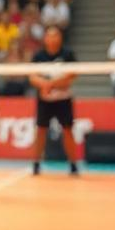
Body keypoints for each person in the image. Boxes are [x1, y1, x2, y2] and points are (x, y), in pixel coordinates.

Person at [29, 26, 79, 176]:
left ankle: (73, 164)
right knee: (40, 130)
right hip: (44, 100)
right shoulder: (38, 56)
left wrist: (50, 84)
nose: (52, 38)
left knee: (68, 130)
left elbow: (72, 75)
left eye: (55, 35)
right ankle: (36, 164)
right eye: (49, 35)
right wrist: (44, 84)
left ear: (60, 38)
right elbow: (32, 77)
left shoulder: (67, 54)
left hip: (63, 99)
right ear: (45, 39)